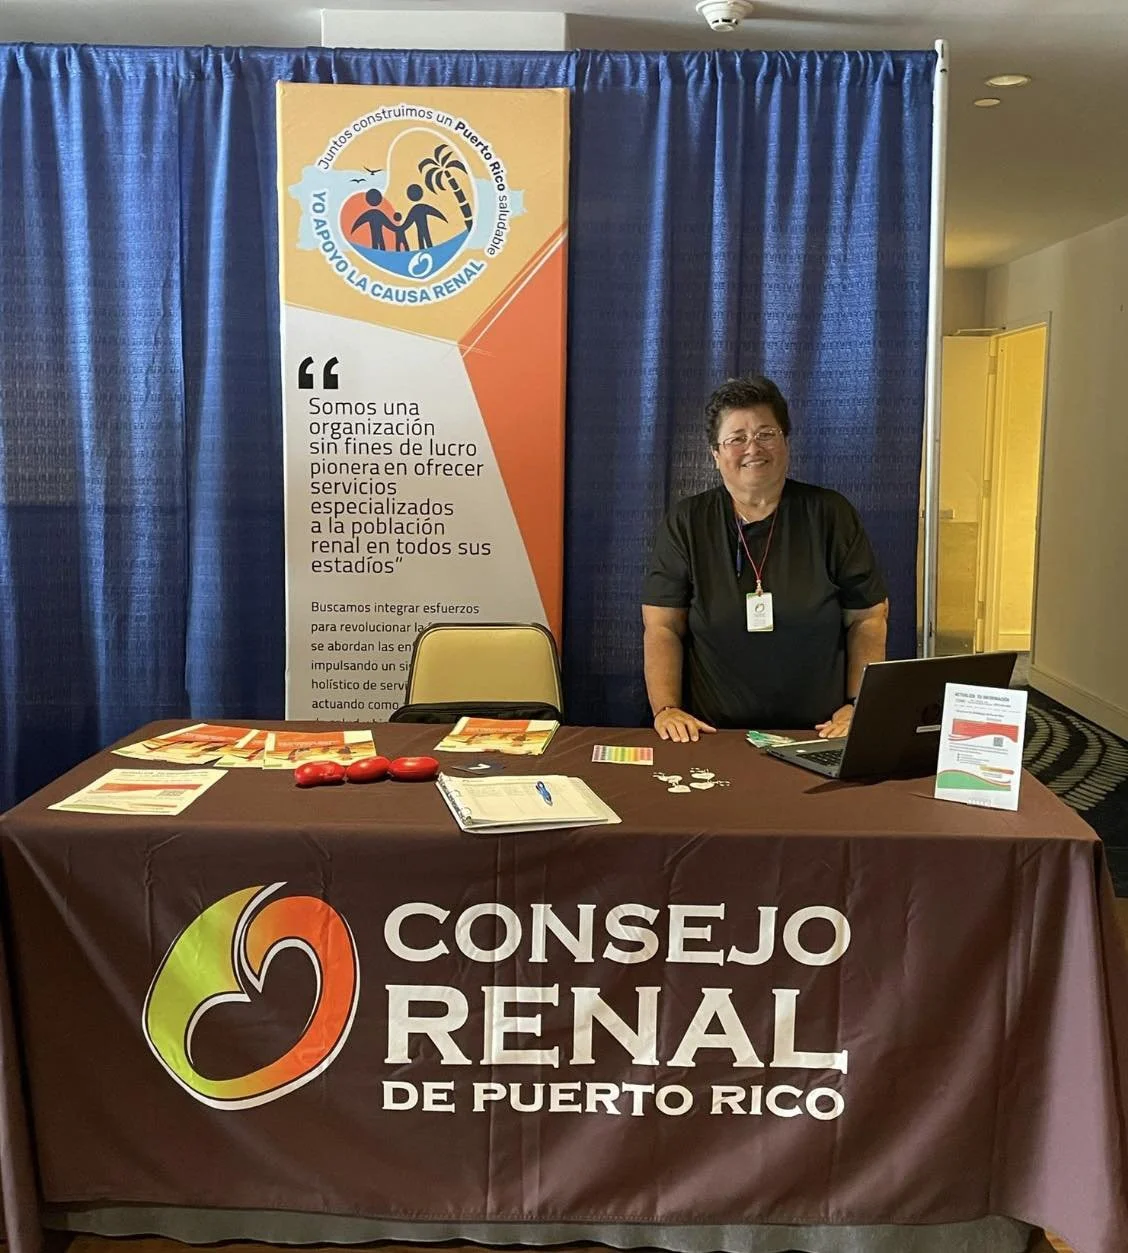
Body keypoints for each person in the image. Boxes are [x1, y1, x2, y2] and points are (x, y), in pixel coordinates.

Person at [642, 375, 889, 743]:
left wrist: (858, 703)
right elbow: (662, 627)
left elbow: (868, 619)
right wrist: (667, 708)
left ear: (785, 442)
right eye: (737, 438)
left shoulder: (830, 515)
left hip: (820, 733)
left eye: (766, 434)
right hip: (711, 735)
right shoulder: (686, 522)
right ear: (716, 453)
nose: (753, 448)